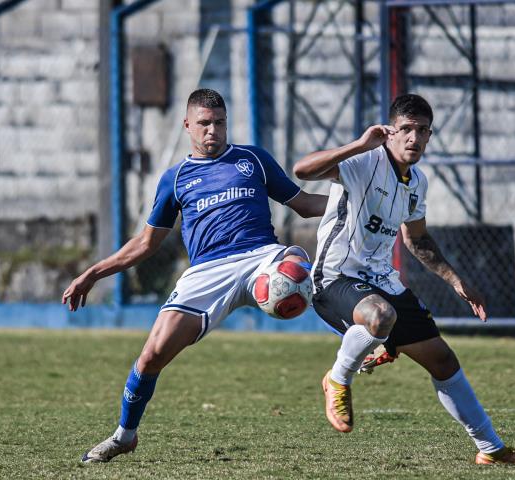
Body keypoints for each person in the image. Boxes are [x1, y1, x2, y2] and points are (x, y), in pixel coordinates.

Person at [63, 88, 326, 463]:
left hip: (261, 258)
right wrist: (94, 273)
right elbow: (145, 244)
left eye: (219, 123)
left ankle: (361, 341)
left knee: (295, 269)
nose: (212, 131)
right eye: (204, 123)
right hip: (206, 272)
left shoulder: (253, 159)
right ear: (187, 125)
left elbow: (304, 204)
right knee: (151, 356)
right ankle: (124, 436)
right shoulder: (176, 179)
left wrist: (354, 204)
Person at [293, 93, 515, 465]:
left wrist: (455, 280)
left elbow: (417, 238)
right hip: (335, 276)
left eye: (422, 131)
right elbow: (302, 170)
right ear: (389, 132)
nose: (413, 138)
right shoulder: (361, 163)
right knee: (380, 317)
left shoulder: (416, 181)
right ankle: (338, 378)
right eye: (405, 129)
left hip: (382, 281)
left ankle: (490, 448)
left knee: (443, 360)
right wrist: (358, 143)